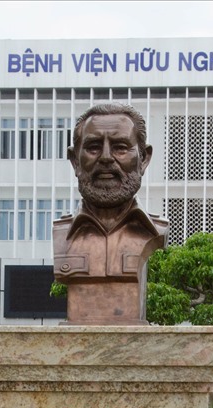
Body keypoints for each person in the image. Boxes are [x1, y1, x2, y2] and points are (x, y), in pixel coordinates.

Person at [52, 103, 167, 324]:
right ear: (75, 160)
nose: (105, 157)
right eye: (93, 147)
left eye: (120, 148)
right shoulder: (61, 234)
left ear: (143, 159)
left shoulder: (157, 230)